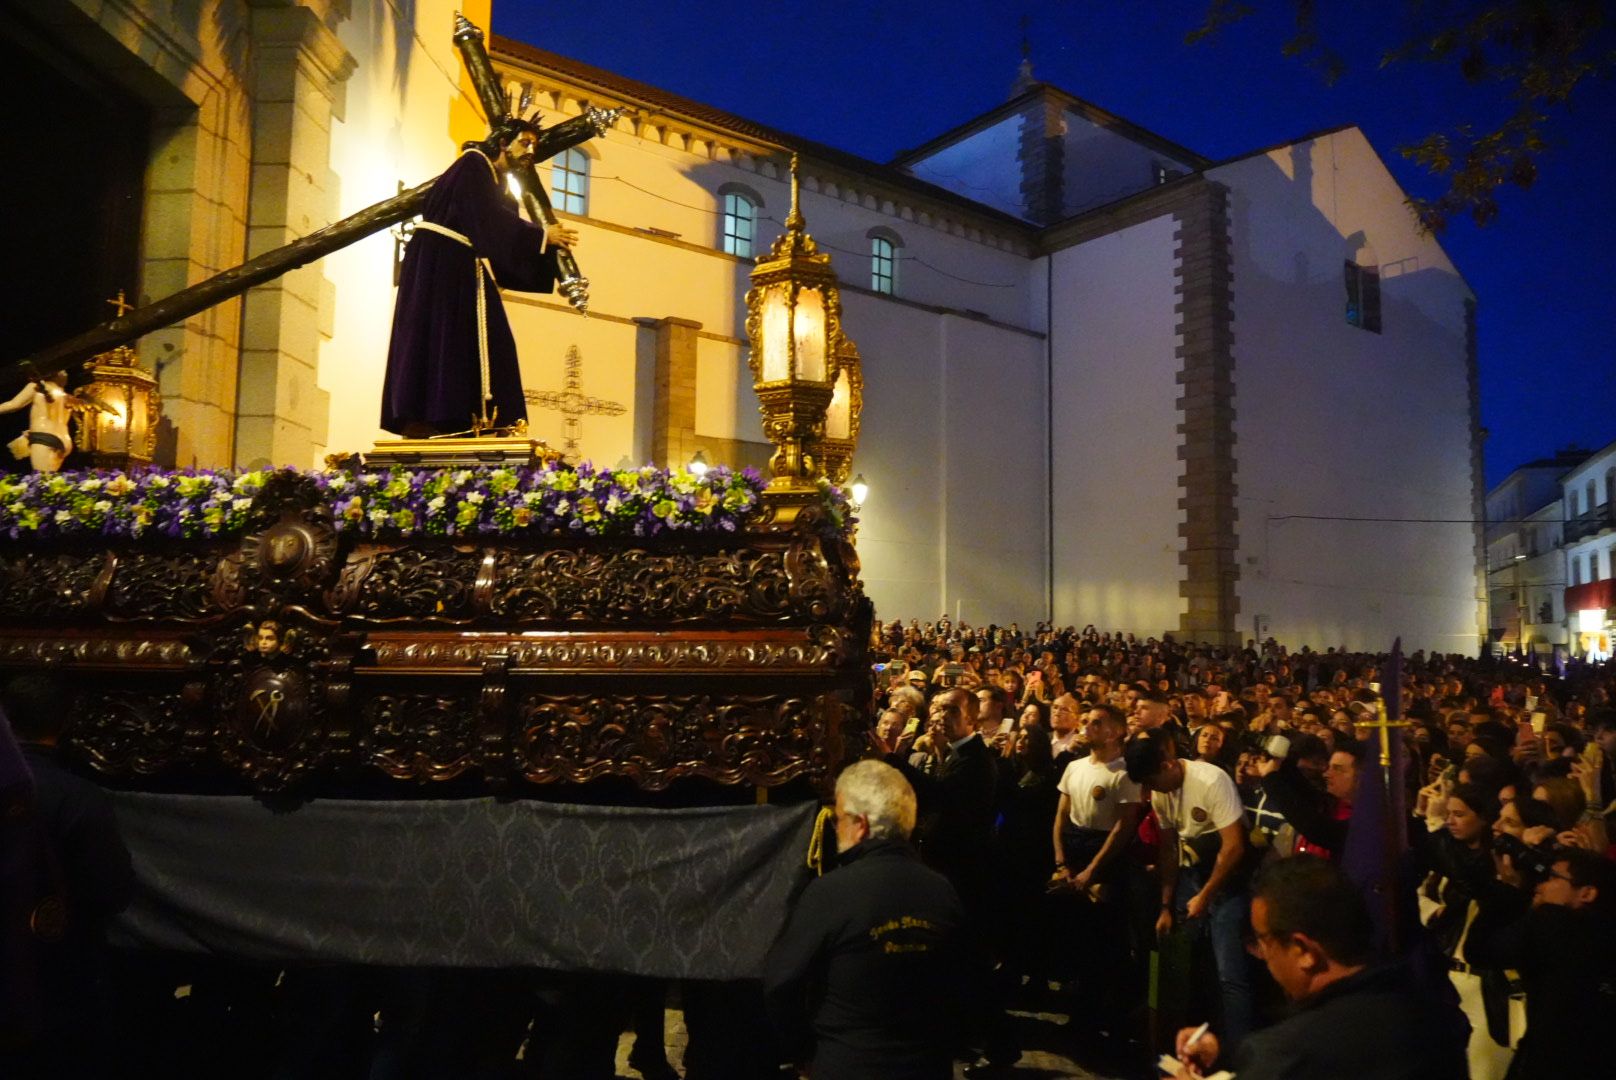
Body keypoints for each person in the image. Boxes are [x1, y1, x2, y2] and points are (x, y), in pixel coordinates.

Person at [1173, 856, 1468, 1080]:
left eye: (1263, 940)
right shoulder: (1440, 1019)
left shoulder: (1286, 1056)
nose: (1261, 956)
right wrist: (1225, 1054)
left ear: (1303, 952)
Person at [764, 760, 965, 1079]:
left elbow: (781, 983)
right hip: (926, 1066)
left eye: (839, 819)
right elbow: (969, 984)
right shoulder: (943, 892)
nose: (835, 827)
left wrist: (802, 1051)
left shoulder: (831, 891)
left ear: (861, 824)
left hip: (848, 1062)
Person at [380, 117, 580, 437]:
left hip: (457, 262)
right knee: (451, 337)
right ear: (503, 142)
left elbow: (499, 233)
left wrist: (548, 260)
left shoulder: (495, 181)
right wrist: (542, 235)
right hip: (441, 263)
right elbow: (487, 220)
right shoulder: (473, 165)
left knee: (481, 336)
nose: (530, 151)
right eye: (524, 143)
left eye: (534, 146)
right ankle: (443, 415)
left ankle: (473, 417)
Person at [1125, 726, 1254, 1050]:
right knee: (1181, 962)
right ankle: (1181, 1043)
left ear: (1168, 765)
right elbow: (1168, 849)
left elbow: (1234, 847)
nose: (1152, 790)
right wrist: (1167, 906)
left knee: (1230, 974)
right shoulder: (1160, 792)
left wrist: (1206, 896)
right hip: (1192, 876)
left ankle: (1241, 1052)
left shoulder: (1211, 780)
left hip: (1230, 882)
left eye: (1153, 781)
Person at [1465, 847, 1616, 1079]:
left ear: (1586, 893)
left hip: (1549, 1062)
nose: (1541, 885)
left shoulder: (1551, 924)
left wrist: (1506, 891)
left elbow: (1479, 951)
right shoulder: (1605, 933)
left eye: (1553, 877)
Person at [0, 371, 86, 472]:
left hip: (44, 438)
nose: (66, 374)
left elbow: (13, 405)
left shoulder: (37, 387)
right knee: (51, 481)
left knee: (42, 481)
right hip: (65, 441)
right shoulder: (66, 397)